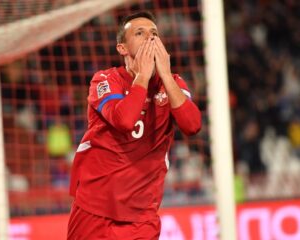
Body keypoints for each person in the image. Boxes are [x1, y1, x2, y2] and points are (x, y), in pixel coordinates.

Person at [67, 11, 201, 239]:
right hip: (94, 210)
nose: (150, 38)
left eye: (154, 34)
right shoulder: (105, 80)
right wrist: (142, 77)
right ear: (122, 48)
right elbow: (124, 120)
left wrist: (166, 76)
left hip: (142, 217)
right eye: (140, 33)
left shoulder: (172, 84)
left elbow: (193, 126)